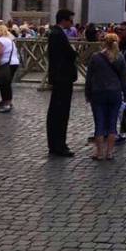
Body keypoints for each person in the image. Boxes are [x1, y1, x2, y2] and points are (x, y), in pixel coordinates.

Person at [84, 33, 126, 161]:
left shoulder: (95, 57)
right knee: (112, 123)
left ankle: (99, 153)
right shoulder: (120, 57)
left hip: (98, 93)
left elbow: (89, 78)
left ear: (104, 43)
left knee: (99, 123)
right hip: (115, 93)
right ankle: (109, 153)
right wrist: (125, 95)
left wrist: (87, 93)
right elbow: (123, 79)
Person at [46, 9, 78, 157]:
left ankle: (54, 144)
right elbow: (70, 54)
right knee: (60, 113)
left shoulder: (55, 33)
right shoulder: (58, 35)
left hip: (58, 77)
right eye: (70, 21)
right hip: (63, 78)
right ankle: (59, 145)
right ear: (64, 20)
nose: (72, 24)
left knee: (55, 112)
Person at [0, 24, 19, 113]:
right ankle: (5, 101)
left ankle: (7, 103)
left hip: (5, 63)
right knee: (5, 83)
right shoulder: (10, 40)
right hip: (14, 63)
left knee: (4, 84)